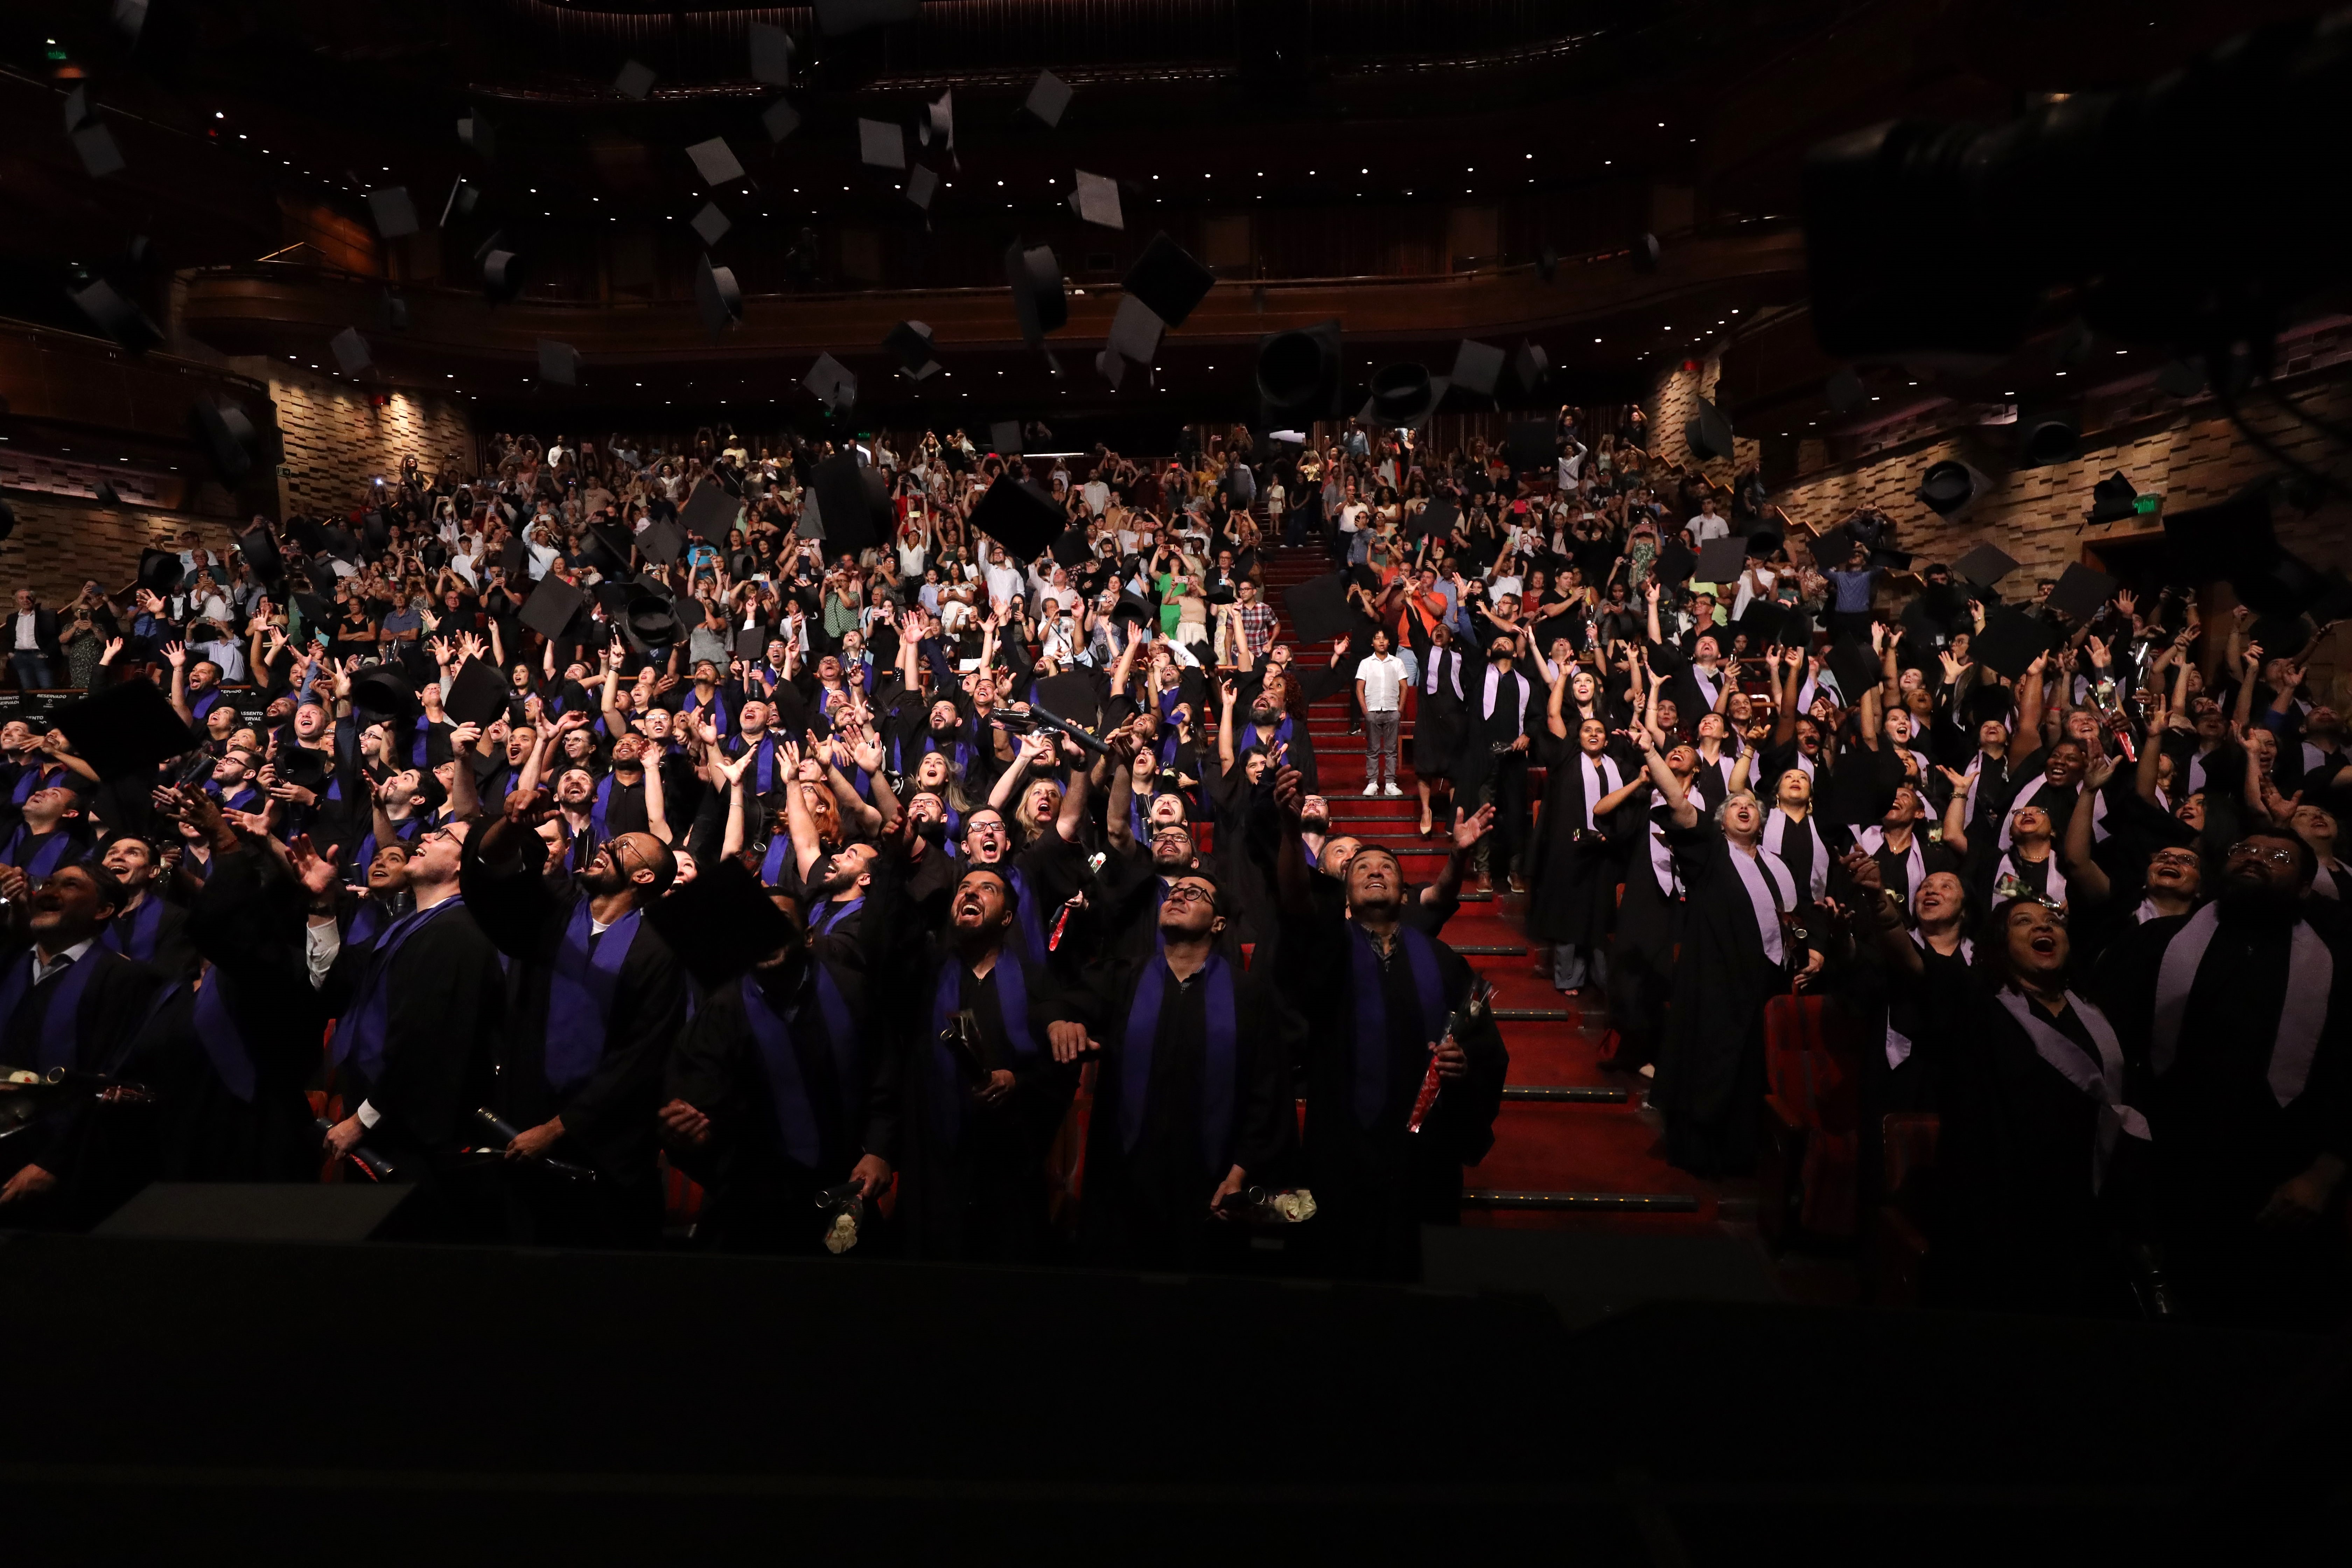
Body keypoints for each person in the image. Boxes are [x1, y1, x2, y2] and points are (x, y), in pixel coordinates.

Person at [1274, 771, 1506, 1280]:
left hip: (1424, 1148)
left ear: (1406, 894)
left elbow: (1485, 1044)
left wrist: (1465, 1062)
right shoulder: (1326, 947)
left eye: (1387, 867)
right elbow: (1293, 900)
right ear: (1345, 893)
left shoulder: (1443, 960)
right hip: (1340, 1141)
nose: (1375, 872)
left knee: (1421, 1273)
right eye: (1362, 868)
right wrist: (1291, 833)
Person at [461, 790, 691, 1247]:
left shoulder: (661, 951)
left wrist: (556, 1130)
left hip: (603, 1153)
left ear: (643, 875)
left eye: (622, 846)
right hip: (521, 1125)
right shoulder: (553, 909)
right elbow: (493, 879)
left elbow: (638, 1062)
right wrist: (512, 824)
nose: (605, 844)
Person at [1046, 868, 1293, 1269]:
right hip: (1126, 1184)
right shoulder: (1123, 977)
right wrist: (1061, 1022)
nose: (1178, 896)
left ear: (1219, 923)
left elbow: (1268, 1094)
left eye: (1195, 893)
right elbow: (1057, 1005)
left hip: (1211, 1184)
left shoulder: (1248, 995)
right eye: (1175, 891)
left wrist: (1241, 1171)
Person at [313, 817, 507, 1239]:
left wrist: (363, 1120)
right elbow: (335, 983)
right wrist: (322, 905)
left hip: (416, 1141)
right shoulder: (412, 926)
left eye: (443, 837)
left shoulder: (456, 932)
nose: (425, 837)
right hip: (390, 1124)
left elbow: (426, 1043)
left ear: (464, 865)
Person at [890, 862, 1078, 1263]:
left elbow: (1059, 1069)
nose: (971, 892)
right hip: (935, 1163)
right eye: (964, 887)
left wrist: (1018, 1082)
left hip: (1008, 1163)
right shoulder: (924, 974)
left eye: (987, 889)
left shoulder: (1036, 981)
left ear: (1008, 917)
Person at [0, 860, 169, 1225]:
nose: (49, 890)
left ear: (103, 909)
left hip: (68, 1171)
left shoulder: (123, 978)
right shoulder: (9, 965)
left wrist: (53, 1163)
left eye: (71, 885)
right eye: (48, 883)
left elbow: (107, 1081)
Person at [1353, 628, 1407, 799]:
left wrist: (1400, 710)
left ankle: (1391, 782)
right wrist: (1365, 711)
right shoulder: (1366, 663)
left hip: (1392, 710)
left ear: (1389, 642)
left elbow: (1404, 687)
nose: (1382, 641)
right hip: (1373, 711)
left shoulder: (1397, 662)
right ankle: (1372, 783)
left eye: (1384, 638)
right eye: (1378, 638)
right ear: (1373, 643)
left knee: (1392, 750)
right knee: (1373, 749)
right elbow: (1359, 688)